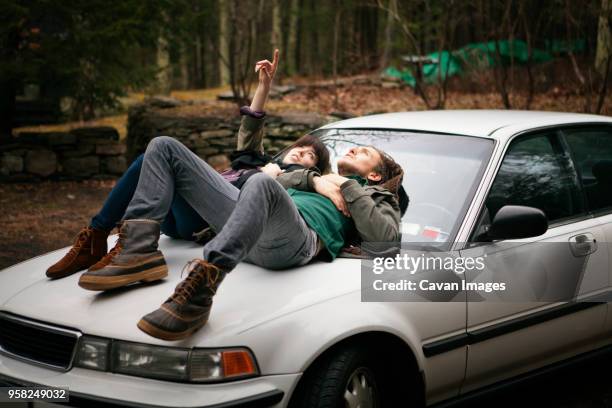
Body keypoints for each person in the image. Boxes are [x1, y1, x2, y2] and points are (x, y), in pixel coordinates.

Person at [76, 50, 407, 341]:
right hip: (244, 225)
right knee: (163, 146)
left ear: (375, 174)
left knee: (261, 184)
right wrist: (314, 178)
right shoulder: (317, 176)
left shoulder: (375, 195)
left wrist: (346, 185)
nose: (354, 149)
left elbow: (387, 240)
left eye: (364, 152)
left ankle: (200, 290)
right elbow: (263, 165)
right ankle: (137, 252)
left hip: (295, 239)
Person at [45, 49, 331, 280]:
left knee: (166, 149)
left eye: (310, 157)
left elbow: (297, 196)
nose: (301, 154)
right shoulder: (261, 162)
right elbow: (251, 127)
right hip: (177, 216)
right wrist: (264, 86)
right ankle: (96, 237)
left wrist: (302, 177)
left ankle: (116, 244)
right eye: (300, 148)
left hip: (205, 220)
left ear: (316, 168)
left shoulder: (299, 181)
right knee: (149, 159)